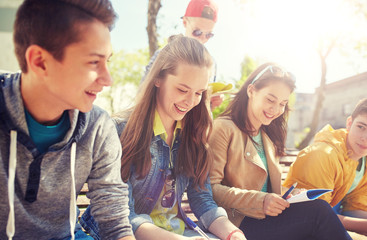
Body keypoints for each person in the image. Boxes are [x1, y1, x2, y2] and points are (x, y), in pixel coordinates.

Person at [81, 36, 246, 240]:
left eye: (199, 93)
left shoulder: (194, 134)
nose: (190, 101)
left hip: (177, 233)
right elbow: (122, 218)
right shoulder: (119, 130)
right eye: (182, 90)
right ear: (158, 79)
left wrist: (233, 234)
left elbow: (203, 200)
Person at [0, 1, 134, 239]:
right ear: (40, 62)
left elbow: (114, 221)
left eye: (108, 61)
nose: (108, 78)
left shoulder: (98, 127)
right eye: (94, 62)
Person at [208, 63, 352, 240]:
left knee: (317, 211)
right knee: (319, 213)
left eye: (282, 104)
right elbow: (210, 189)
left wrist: (288, 195)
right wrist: (261, 200)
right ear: (251, 91)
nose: (276, 110)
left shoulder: (267, 137)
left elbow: (262, 185)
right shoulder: (223, 128)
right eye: (270, 100)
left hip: (265, 219)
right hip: (235, 223)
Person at [284, 98, 367, 236]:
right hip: (298, 228)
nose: (365, 137)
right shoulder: (322, 154)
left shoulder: (363, 162)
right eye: (361, 127)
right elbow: (314, 216)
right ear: (349, 123)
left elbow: (355, 209)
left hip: (329, 221)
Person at [142, 0, 226, 110]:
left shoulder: (212, 64)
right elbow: (142, 95)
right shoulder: (163, 55)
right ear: (185, 22)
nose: (202, 39)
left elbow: (203, 110)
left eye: (208, 34)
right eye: (197, 32)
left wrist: (211, 102)